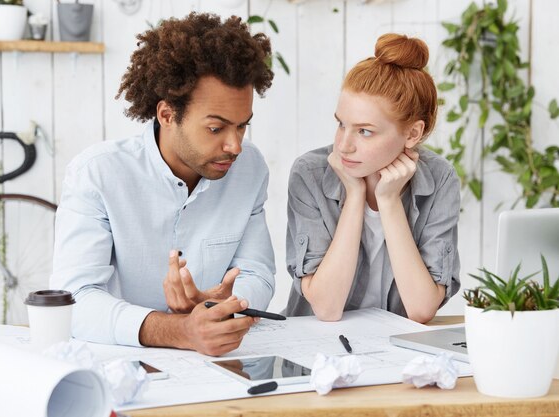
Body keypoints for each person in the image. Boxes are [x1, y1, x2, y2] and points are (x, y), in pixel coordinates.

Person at [51, 12, 276, 356]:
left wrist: (224, 305)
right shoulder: (97, 174)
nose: (235, 146)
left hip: (218, 369)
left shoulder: (250, 168)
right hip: (116, 365)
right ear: (167, 115)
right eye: (216, 128)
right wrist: (179, 330)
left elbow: (257, 272)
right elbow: (74, 299)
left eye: (242, 126)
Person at [285, 33, 460, 323]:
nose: (344, 145)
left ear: (412, 133)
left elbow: (421, 309)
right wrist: (354, 197)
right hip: (319, 351)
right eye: (341, 124)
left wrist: (389, 201)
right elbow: (327, 308)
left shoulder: (439, 179)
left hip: (394, 353)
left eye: (364, 131)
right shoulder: (310, 174)